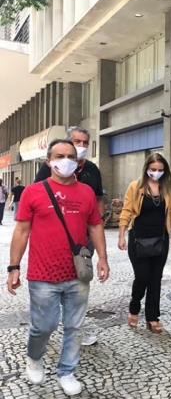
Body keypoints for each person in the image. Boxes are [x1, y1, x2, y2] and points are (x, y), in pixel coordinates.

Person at [6, 139, 110, 396]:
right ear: (48, 162)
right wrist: (14, 267)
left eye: (71, 157)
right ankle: (34, 356)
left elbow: (96, 225)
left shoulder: (86, 192)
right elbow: (21, 231)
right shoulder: (33, 191)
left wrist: (103, 259)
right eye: (60, 156)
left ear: (78, 162)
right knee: (44, 325)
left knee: (75, 326)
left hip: (78, 272)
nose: (66, 161)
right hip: (43, 274)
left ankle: (66, 370)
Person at [35, 125, 104, 346]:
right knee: (51, 285)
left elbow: (99, 199)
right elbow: (36, 198)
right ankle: (45, 328)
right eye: (76, 142)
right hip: (53, 239)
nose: (81, 146)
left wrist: (97, 224)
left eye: (85, 142)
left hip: (83, 240)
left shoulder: (92, 170)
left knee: (79, 281)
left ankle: (76, 329)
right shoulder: (49, 168)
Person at [118, 153, 171, 333]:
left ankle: (153, 317)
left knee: (156, 279)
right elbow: (126, 210)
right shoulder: (135, 187)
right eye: (153, 170)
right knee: (142, 277)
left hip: (160, 239)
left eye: (160, 170)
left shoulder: (166, 188)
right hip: (138, 239)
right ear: (146, 168)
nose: (156, 173)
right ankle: (134, 307)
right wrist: (121, 235)